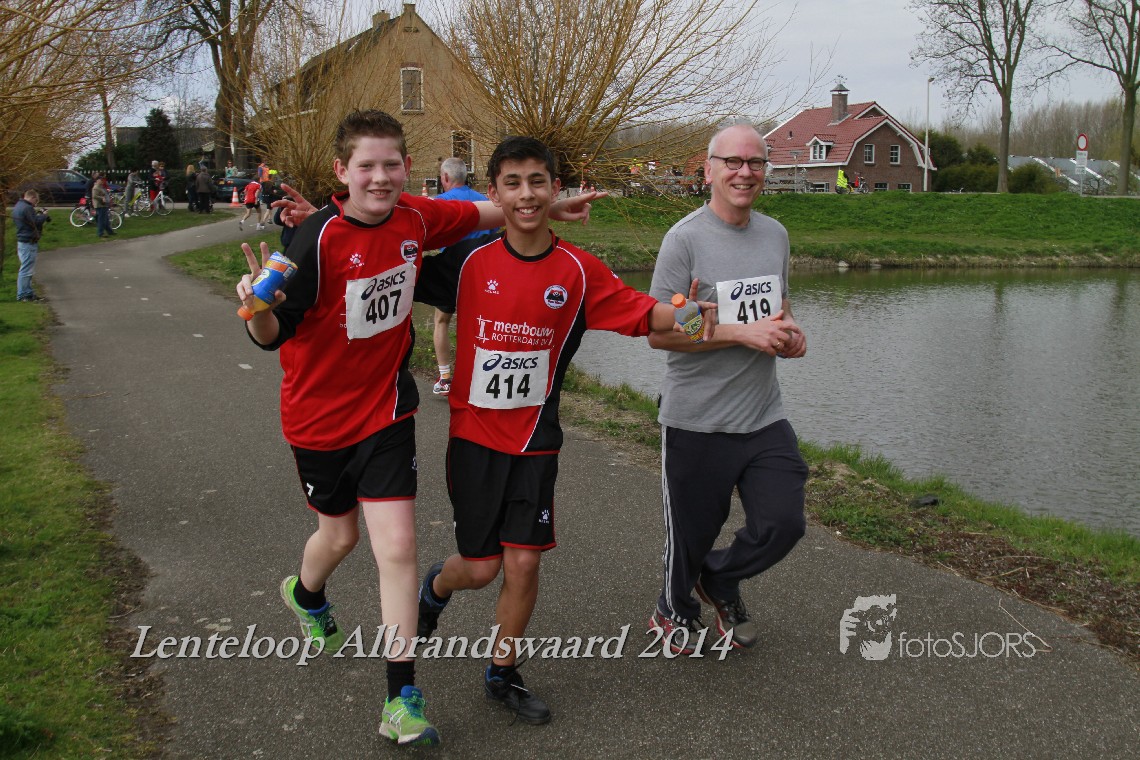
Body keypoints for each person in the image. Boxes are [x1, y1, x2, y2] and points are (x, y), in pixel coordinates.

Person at [237, 110, 600, 747]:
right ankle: (306, 593)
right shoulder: (314, 240)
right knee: (338, 536)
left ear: (407, 169)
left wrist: (552, 206)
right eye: (366, 166)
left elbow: (487, 212)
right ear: (342, 171)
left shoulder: (416, 218)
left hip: (387, 411)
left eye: (391, 165)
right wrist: (255, 309)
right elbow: (271, 336)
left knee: (398, 549)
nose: (379, 178)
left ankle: (400, 698)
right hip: (318, 419)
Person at [415, 136, 711, 725]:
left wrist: (692, 314)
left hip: (535, 443)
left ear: (555, 188)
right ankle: (435, 590)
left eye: (538, 181)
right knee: (481, 568)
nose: (527, 194)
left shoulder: (578, 270)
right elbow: (391, 253)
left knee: (524, 563)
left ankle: (502, 672)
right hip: (474, 441)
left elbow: (645, 313)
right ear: (494, 193)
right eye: (513, 183)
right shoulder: (469, 262)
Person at [646, 123, 808, 655]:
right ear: (709, 169)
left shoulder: (776, 234)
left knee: (783, 523)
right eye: (732, 162)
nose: (745, 173)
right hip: (697, 419)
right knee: (690, 535)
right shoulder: (684, 240)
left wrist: (789, 332)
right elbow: (658, 333)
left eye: (755, 163)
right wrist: (739, 332)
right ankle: (673, 610)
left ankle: (719, 578)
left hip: (763, 415)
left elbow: (779, 308)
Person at [428, 157, 490, 396]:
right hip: (480, 271)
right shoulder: (484, 201)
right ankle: (477, 376)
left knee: (441, 321)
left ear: (445, 177)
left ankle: (445, 377)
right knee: (478, 325)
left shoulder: (440, 203)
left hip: (451, 271)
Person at [13, 189, 49, 302]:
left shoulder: (18, 206)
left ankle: (28, 292)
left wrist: (38, 215)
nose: (35, 204)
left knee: (27, 268)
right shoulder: (27, 208)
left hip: (22, 239)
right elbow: (35, 222)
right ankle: (23, 294)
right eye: (36, 201)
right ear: (32, 198)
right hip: (28, 241)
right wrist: (43, 216)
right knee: (26, 269)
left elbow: (29, 220)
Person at [92, 173, 115, 238]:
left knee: (106, 220)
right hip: (100, 205)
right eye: (100, 180)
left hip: (104, 205)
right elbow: (94, 196)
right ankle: (100, 233)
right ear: (97, 180)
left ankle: (110, 231)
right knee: (101, 220)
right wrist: (102, 198)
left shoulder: (101, 186)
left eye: (102, 180)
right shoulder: (96, 187)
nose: (102, 181)